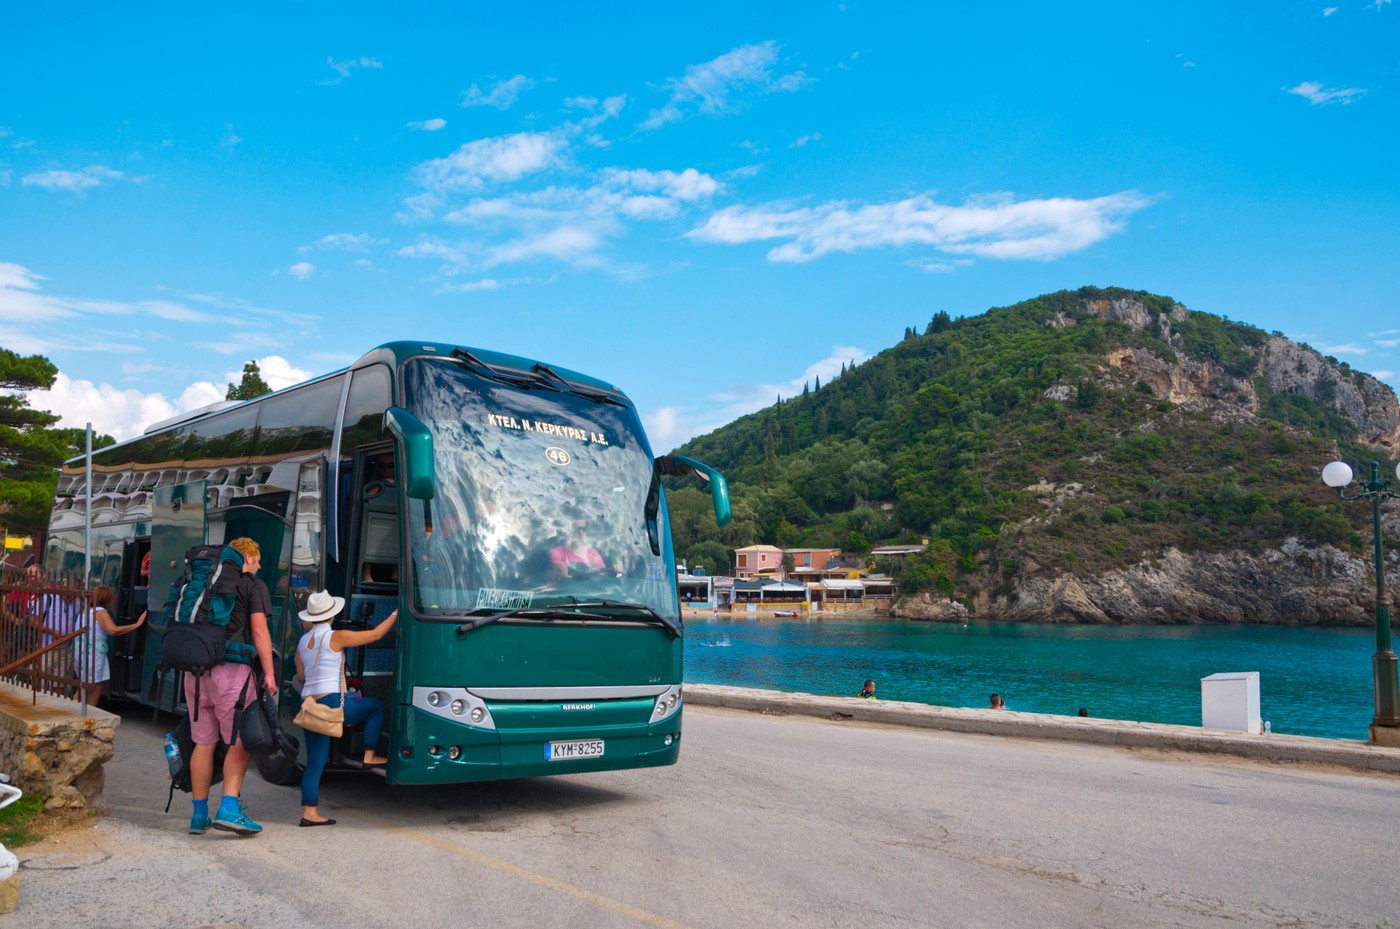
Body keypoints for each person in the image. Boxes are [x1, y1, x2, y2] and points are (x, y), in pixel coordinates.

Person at [185, 537, 277, 837]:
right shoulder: (252, 585)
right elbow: (260, 633)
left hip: (196, 673)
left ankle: (199, 816)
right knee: (238, 742)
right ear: (247, 557)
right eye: (258, 559)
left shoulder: (204, 583)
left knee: (204, 743)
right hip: (232, 674)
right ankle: (228, 809)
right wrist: (270, 674)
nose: (260, 565)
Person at [294, 589, 398, 827]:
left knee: (315, 762)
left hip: (310, 705)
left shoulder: (303, 640)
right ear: (331, 615)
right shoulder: (335, 637)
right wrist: (396, 612)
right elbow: (376, 635)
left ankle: (309, 813)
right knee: (375, 707)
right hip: (331, 703)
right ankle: (369, 755)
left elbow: (300, 675)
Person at [74, 586, 146, 706]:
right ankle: (73, 712)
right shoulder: (100, 612)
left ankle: (90, 714)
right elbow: (113, 630)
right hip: (93, 654)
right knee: (88, 686)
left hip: (82, 651)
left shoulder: (85, 611)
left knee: (97, 685)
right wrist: (136, 624)